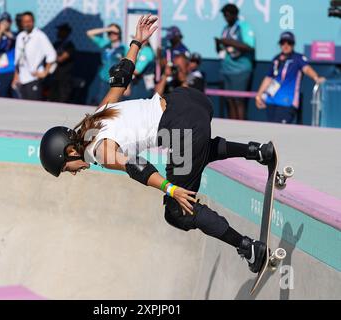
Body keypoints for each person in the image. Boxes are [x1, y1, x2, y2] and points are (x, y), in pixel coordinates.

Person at [39, 15, 277, 275]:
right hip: (187, 99)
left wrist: (170, 188)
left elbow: (136, 166)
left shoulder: (98, 151)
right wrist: (136, 42)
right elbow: (121, 78)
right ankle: (258, 151)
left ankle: (248, 246)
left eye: (67, 167)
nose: (73, 172)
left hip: (182, 126)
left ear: (70, 151)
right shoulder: (95, 117)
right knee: (196, 152)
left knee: (178, 212)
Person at [256, 32, 326, 124]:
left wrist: (316, 77)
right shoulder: (276, 59)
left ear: (293, 44)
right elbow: (268, 78)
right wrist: (259, 95)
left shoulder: (298, 58)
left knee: (280, 131)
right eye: (283, 43)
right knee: (271, 130)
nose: (286, 45)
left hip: (287, 102)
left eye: (289, 43)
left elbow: (307, 69)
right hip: (272, 101)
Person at [215, 4, 255, 120]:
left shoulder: (243, 26)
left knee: (239, 100)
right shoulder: (225, 29)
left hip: (240, 70)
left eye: (227, 15)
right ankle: (233, 129)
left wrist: (230, 42)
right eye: (224, 15)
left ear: (235, 14)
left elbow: (250, 46)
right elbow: (221, 49)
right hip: (226, 69)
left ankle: (241, 130)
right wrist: (218, 43)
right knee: (229, 100)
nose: (225, 17)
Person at [12, 12, 57, 101]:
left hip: (33, 78)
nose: (27, 24)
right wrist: (16, 76)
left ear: (33, 22)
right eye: (24, 22)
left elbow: (52, 54)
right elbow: (18, 59)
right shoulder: (20, 36)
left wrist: (45, 72)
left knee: (34, 108)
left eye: (29, 21)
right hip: (22, 79)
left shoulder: (40, 36)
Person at [87, 24, 127, 104]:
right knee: (100, 101)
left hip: (116, 80)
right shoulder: (105, 44)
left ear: (119, 34)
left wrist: (128, 85)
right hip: (103, 78)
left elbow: (128, 67)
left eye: (115, 33)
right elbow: (89, 33)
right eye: (110, 33)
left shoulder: (124, 48)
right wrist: (107, 29)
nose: (112, 34)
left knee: (113, 103)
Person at [0, 12, 16, 98]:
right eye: (2, 21)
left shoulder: (15, 34)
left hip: (12, 70)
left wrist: (5, 31)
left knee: (14, 96)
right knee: (1, 95)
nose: (5, 23)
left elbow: (13, 38)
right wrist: (0, 31)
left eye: (7, 21)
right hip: (1, 70)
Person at [49, 23, 75, 103]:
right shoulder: (56, 44)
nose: (58, 33)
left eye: (61, 31)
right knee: (52, 97)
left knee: (62, 99)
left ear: (66, 32)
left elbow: (61, 58)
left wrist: (53, 58)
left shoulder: (70, 45)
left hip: (64, 78)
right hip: (54, 77)